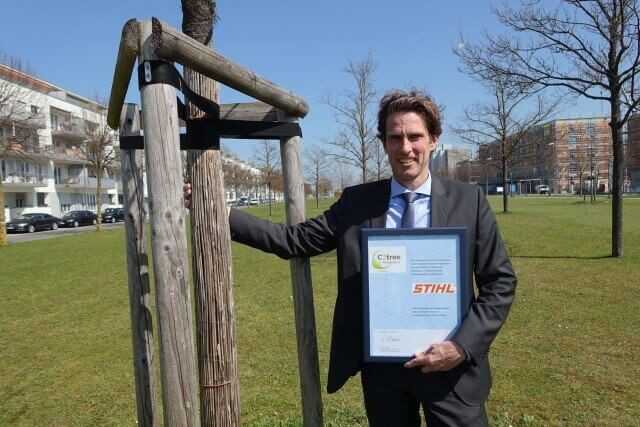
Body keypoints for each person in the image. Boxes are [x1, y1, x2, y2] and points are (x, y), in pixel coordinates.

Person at [189, 89, 516, 426]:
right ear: (384, 142)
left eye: (415, 136)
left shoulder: (469, 201)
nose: (406, 148)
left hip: (451, 370)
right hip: (384, 372)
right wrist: (218, 210)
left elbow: (500, 282)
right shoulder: (357, 202)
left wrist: (461, 347)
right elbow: (294, 240)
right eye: (395, 137)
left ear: (434, 139)